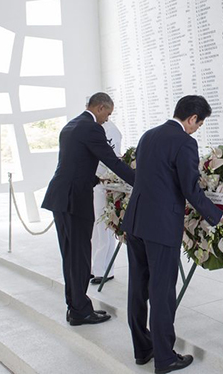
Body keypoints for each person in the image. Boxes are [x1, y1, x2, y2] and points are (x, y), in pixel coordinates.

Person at [121, 95, 223, 374]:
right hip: (161, 227)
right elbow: (190, 189)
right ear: (192, 118)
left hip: (136, 222)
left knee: (138, 288)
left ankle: (143, 349)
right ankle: (165, 358)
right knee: (161, 293)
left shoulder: (149, 135)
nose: (198, 129)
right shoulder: (185, 142)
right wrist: (220, 215)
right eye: (199, 123)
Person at [42, 92, 135, 326]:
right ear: (101, 108)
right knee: (80, 256)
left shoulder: (71, 125)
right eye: (108, 114)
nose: (107, 120)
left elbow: (75, 164)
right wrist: (140, 180)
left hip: (61, 197)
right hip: (75, 200)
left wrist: (96, 180)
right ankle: (80, 311)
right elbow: (112, 161)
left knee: (71, 256)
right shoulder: (92, 128)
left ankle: (75, 307)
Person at [90, 120, 122, 285]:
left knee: (104, 228)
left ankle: (105, 270)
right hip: (93, 183)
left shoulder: (111, 130)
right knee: (95, 227)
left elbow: (112, 159)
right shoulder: (96, 128)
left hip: (104, 184)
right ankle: (95, 267)